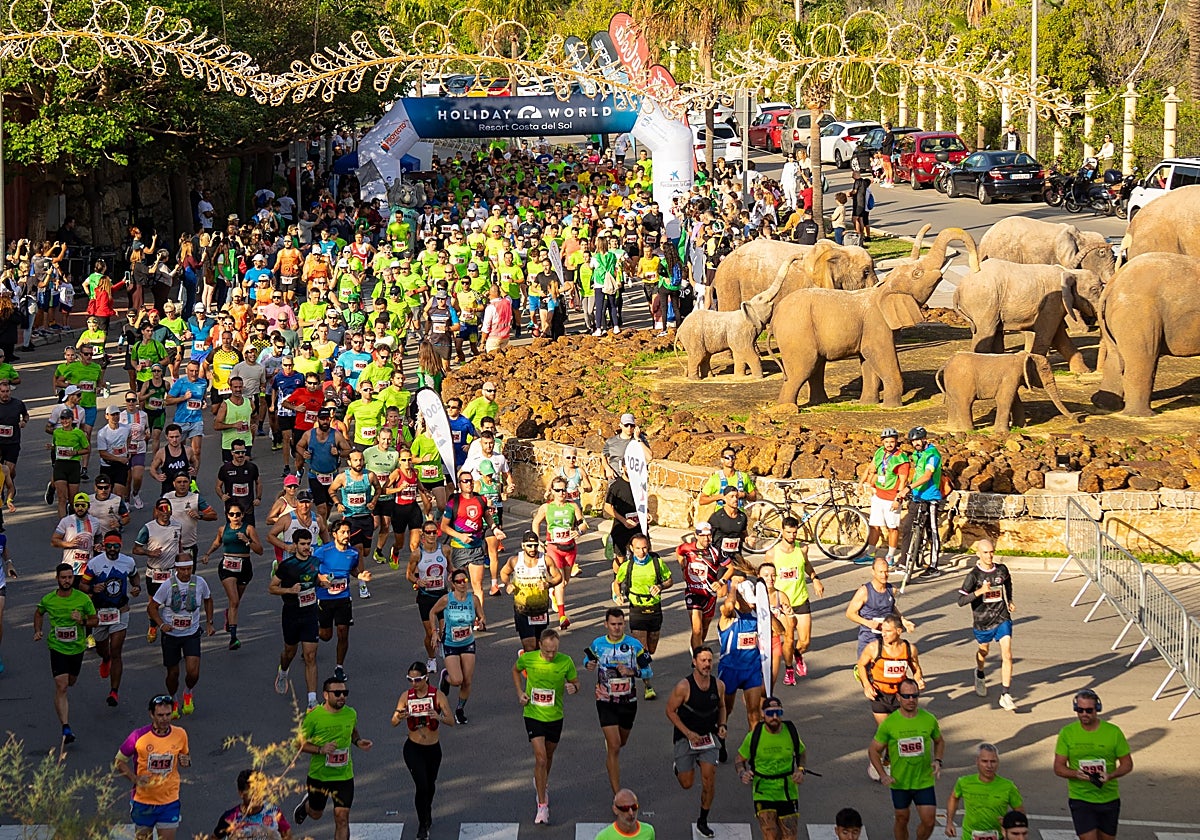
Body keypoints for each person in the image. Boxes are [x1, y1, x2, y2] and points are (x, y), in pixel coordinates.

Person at [293, 676, 374, 840]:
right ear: (326, 695)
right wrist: (320, 749)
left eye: (345, 692)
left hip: (343, 776)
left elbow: (352, 731)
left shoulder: (351, 713)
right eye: (337, 693)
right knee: (316, 814)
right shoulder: (314, 717)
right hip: (319, 776)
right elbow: (298, 744)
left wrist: (358, 741)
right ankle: (306, 806)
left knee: (342, 819)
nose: (342, 696)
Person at [513, 628, 579, 825]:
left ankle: (542, 781)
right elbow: (515, 670)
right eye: (548, 651)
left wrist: (573, 687)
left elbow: (576, 682)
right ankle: (542, 805)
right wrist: (520, 693)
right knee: (540, 757)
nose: (551, 655)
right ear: (540, 645)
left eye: (555, 651)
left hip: (555, 716)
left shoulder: (565, 661)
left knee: (548, 756)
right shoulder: (529, 658)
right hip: (533, 714)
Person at [585, 607, 653, 794]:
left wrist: (633, 672)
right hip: (605, 700)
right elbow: (587, 659)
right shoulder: (598, 644)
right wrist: (589, 664)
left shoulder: (635, 645)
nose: (616, 628)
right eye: (613, 624)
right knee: (614, 746)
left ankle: (612, 743)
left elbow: (649, 671)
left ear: (624, 624)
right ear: (606, 624)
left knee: (620, 742)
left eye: (620, 624)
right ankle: (617, 794)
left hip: (628, 701)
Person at [870, 677, 945, 840]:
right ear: (898, 697)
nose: (911, 700)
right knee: (902, 819)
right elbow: (874, 751)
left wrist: (938, 761)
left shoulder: (929, 719)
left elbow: (939, 741)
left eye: (914, 696)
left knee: (929, 821)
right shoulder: (890, 723)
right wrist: (882, 774)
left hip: (923, 780)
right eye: (906, 696)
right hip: (900, 782)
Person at [1052, 689, 1133, 840]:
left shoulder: (1113, 732)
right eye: (1080, 710)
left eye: (1089, 710)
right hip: (1080, 798)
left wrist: (1111, 775)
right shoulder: (1067, 733)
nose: (1084, 714)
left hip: (1108, 798)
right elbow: (1058, 767)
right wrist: (1076, 774)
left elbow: (1127, 764)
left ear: (1097, 709)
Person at [666, 646, 727, 839]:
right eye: (703, 660)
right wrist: (687, 732)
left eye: (710, 660)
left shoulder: (718, 685)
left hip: (708, 737)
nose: (707, 664)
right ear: (694, 662)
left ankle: (703, 820)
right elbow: (670, 711)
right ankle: (679, 767)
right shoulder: (684, 686)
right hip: (686, 738)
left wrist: (722, 725)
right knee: (687, 783)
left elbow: (722, 706)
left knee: (709, 779)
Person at [390, 660, 455, 840]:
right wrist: (400, 716)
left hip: (433, 749)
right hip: (413, 748)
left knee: (430, 785)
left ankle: (427, 812)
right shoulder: (406, 696)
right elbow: (393, 721)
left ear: (426, 678)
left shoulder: (438, 696)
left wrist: (439, 716)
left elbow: (451, 721)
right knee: (422, 786)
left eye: (417, 680)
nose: (414, 684)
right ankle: (422, 823)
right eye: (410, 680)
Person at [34, 563, 98, 743]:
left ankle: (65, 722)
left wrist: (83, 620)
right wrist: (37, 630)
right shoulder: (48, 599)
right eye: (63, 577)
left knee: (71, 681)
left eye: (70, 577)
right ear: (57, 579)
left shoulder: (83, 599)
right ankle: (66, 727)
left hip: (77, 648)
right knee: (61, 686)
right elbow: (39, 613)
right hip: (57, 647)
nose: (67, 580)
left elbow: (95, 620)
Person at [116, 695, 192, 840]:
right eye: (160, 715)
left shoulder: (180, 734)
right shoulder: (138, 736)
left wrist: (186, 761)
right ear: (151, 714)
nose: (165, 719)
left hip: (169, 802)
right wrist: (134, 778)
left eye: (168, 714)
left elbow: (185, 757)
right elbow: (119, 761)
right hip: (143, 802)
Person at [147, 555, 215, 716]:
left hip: (191, 633)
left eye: (189, 569)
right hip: (171, 635)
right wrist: (161, 624)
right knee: (173, 673)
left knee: (193, 672)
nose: (186, 573)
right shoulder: (167, 586)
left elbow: (208, 599)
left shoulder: (200, 582)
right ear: (176, 569)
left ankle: (188, 692)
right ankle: (173, 698)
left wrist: (209, 622)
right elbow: (152, 607)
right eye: (183, 569)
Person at [82, 531, 141, 706]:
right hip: (100, 612)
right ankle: (105, 658)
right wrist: (93, 589)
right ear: (104, 546)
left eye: (116, 546)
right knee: (103, 648)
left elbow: (134, 576)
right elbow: (82, 584)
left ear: (120, 546)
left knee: (116, 650)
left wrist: (136, 586)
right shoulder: (95, 563)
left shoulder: (128, 561)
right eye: (109, 546)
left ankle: (114, 691)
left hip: (120, 611)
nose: (113, 549)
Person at [735, 696, 807, 840]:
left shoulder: (790, 731)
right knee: (770, 834)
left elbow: (801, 752)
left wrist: (800, 769)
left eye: (778, 713)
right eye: (770, 713)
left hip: (787, 790)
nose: (774, 717)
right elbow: (739, 760)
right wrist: (742, 773)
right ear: (762, 714)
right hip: (763, 791)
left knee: (790, 836)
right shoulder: (754, 736)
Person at [957, 539, 1017, 710]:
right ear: (978, 554)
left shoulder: (1001, 569)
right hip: (982, 621)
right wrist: (979, 592)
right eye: (985, 552)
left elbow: (1007, 582)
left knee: (1007, 653)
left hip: (1001, 617)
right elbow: (960, 601)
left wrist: (1010, 599)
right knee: (983, 651)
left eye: (991, 552)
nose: (989, 556)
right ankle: (980, 672)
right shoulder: (973, 576)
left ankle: (1005, 694)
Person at [764, 517, 823, 683]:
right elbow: (764, 575)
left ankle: (798, 655)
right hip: (783, 603)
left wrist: (815, 578)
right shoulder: (772, 553)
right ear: (782, 531)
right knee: (788, 639)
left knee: (805, 641)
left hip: (801, 599)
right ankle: (789, 669)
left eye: (794, 532)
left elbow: (807, 565)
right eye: (788, 532)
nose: (791, 535)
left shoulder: (802, 549)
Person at [614, 534, 671, 699]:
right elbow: (616, 583)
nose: (641, 551)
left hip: (654, 609)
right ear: (631, 548)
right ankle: (648, 687)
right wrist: (617, 595)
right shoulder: (627, 566)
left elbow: (669, 581)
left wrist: (660, 586)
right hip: (637, 610)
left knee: (651, 648)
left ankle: (640, 666)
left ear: (649, 547)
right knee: (642, 651)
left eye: (644, 547)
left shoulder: (657, 563)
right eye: (637, 548)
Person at [269, 527, 321, 710]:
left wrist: (324, 581)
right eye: (303, 544)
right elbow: (272, 587)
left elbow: (319, 578)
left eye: (308, 543)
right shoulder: (287, 566)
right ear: (296, 545)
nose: (307, 547)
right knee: (290, 652)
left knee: (310, 655)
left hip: (310, 614)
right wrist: (289, 590)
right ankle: (283, 671)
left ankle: (312, 700)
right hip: (291, 614)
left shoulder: (316, 562)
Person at [200, 501, 263, 650]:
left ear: (242, 515)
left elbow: (259, 550)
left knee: (235, 602)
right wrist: (208, 554)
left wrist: (247, 541)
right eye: (231, 514)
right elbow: (217, 543)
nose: (235, 517)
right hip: (227, 566)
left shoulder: (248, 529)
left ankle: (230, 615)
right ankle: (233, 638)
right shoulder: (223, 529)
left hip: (244, 566)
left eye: (238, 514)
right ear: (227, 515)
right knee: (234, 600)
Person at [531, 476, 588, 627]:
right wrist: (537, 541)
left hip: (569, 548)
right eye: (558, 490)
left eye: (564, 490)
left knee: (566, 581)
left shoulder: (572, 506)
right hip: (553, 547)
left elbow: (583, 524)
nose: (562, 493)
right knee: (561, 582)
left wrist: (579, 532)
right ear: (552, 491)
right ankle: (562, 617)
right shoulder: (546, 507)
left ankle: (553, 593)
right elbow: (535, 522)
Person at [315, 518, 365, 682]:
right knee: (326, 635)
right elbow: (310, 565)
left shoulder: (353, 553)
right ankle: (313, 632)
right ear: (334, 534)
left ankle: (339, 667)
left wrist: (359, 575)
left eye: (348, 532)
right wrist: (319, 577)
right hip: (324, 598)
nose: (346, 535)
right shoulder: (323, 551)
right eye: (343, 532)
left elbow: (353, 569)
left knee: (343, 633)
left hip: (343, 597)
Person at [431, 568, 481, 724]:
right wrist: (434, 632)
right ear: (452, 584)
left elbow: (481, 614)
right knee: (457, 680)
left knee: (467, 681)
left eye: (464, 581)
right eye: (458, 581)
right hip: (450, 643)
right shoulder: (447, 599)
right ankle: (446, 678)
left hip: (467, 643)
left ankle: (459, 709)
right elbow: (432, 612)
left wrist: (482, 620)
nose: (462, 584)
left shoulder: (473, 599)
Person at [945, 743, 1024, 840]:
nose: (989, 765)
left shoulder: (1008, 786)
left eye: (993, 761)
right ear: (977, 761)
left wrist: (1009, 823)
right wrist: (949, 822)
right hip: (969, 837)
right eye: (985, 761)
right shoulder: (964, 782)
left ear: (998, 762)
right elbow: (954, 797)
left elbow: (1020, 814)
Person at [501, 531, 562, 652]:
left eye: (535, 545)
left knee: (540, 646)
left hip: (541, 610)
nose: (533, 548)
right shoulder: (514, 560)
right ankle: (529, 664)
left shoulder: (546, 560)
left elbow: (558, 577)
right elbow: (504, 572)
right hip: (522, 609)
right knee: (529, 645)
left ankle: (528, 660)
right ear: (523, 545)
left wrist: (548, 584)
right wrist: (508, 584)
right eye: (529, 545)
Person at [717, 582, 766, 731]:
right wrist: (733, 589)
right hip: (730, 670)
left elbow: (779, 630)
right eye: (749, 600)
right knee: (726, 710)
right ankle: (720, 740)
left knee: (754, 713)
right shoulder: (729, 617)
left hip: (752, 670)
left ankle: (753, 746)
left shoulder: (757, 615)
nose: (752, 604)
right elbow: (729, 606)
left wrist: (766, 612)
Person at [675, 522, 730, 651]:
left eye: (709, 535)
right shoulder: (687, 548)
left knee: (704, 629)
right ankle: (696, 659)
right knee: (697, 629)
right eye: (703, 535)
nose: (706, 539)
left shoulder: (716, 551)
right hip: (692, 593)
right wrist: (683, 567)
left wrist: (721, 582)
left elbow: (730, 568)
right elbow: (679, 551)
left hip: (710, 595)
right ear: (696, 535)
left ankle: (697, 647)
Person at [897, 427, 944, 577]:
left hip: (930, 497)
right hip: (917, 496)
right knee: (907, 528)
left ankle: (933, 566)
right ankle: (904, 562)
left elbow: (927, 476)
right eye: (913, 441)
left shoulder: (932, 454)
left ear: (924, 439)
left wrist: (908, 488)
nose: (916, 443)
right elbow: (917, 475)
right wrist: (908, 489)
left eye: (918, 440)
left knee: (932, 531)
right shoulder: (917, 455)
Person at [846, 557, 916, 655]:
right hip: (868, 639)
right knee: (866, 668)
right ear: (873, 572)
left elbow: (891, 607)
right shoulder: (864, 591)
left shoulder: (892, 590)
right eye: (881, 572)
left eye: (886, 572)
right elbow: (850, 613)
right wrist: (868, 623)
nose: (884, 575)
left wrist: (903, 620)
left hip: (887, 640)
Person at [861, 428, 911, 564]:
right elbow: (871, 467)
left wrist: (898, 499)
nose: (889, 444)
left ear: (896, 442)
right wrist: (863, 482)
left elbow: (903, 481)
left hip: (892, 498)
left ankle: (890, 555)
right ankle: (870, 553)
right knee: (874, 525)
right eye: (887, 441)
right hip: (878, 495)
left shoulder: (901, 459)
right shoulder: (879, 452)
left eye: (892, 442)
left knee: (892, 528)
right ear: (882, 442)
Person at [408, 521, 449, 672]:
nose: (432, 535)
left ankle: (444, 647)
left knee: (444, 629)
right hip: (426, 596)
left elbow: (450, 568)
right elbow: (409, 575)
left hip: (442, 594)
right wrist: (418, 581)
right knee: (430, 632)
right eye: (428, 532)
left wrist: (454, 576)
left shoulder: (445, 550)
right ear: (423, 534)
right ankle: (431, 658)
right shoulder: (417, 554)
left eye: (434, 532)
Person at [213, 768, 293, 839]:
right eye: (252, 793)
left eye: (260, 791)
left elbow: (287, 835)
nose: (257, 796)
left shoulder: (273, 812)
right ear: (241, 793)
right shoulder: (229, 818)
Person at [697, 447, 758, 512]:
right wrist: (720, 497)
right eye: (727, 457)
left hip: (739, 516)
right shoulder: (715, 479)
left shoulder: (743, 477)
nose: (730, 459)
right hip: (721, 517)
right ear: (722, 460)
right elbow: (702, 500)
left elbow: (753, 497)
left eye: (733, 457)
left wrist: (744, 495)